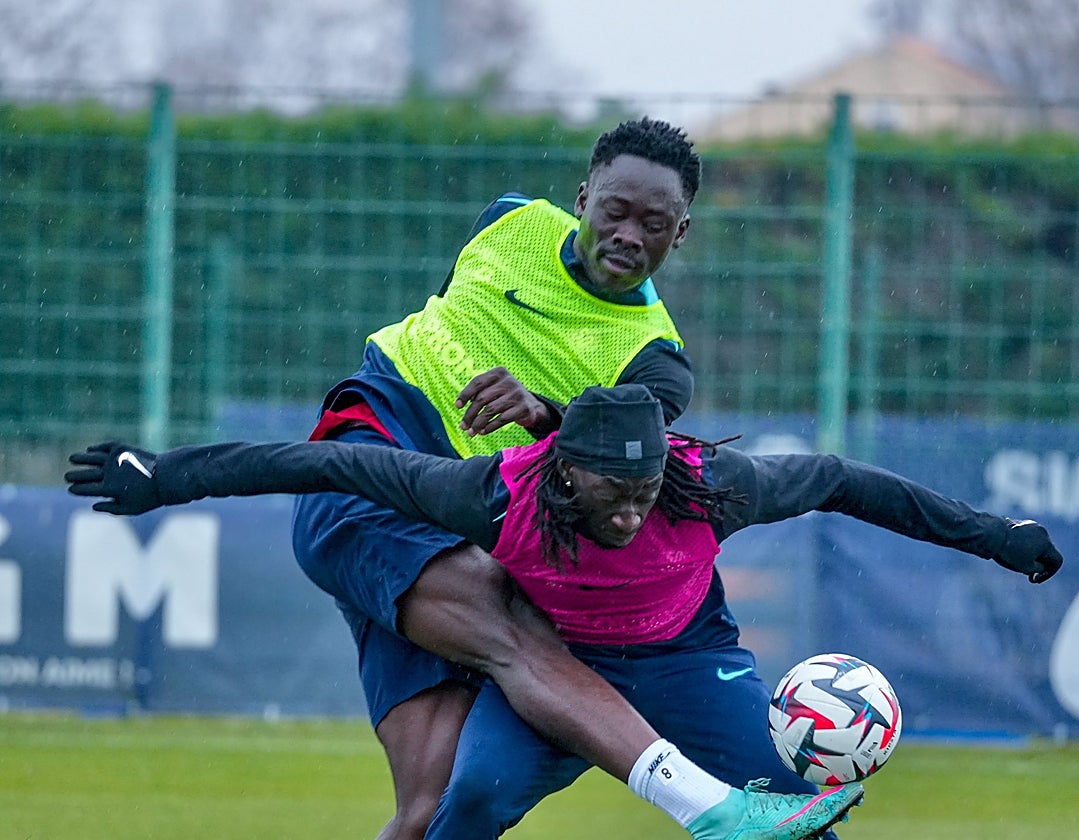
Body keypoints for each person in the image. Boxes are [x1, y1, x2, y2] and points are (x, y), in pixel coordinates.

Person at [136, 116, 867, 840]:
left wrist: (543, 411)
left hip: (461, 527)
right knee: (524, 643)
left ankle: (712, 802)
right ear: (583, 197)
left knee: (435, 811)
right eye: (615, 210)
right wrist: (170, 474)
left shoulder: (656, 362)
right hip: (376, 477)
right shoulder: (510, 221)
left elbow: (610, 458)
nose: (628, 234)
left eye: (654, 223)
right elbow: (448, 315)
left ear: (680, 235)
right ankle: (711, 808)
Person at [66, 384, 1064, 838]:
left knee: (788, 814)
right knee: (471, 804)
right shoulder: (493, 491)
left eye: (644, 494)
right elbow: (325, 460)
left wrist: (997, 535)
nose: (631, 514)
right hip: (555, 676)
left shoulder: (712, 485)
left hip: (687, 663)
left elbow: (849, 481)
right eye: (609, 497)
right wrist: (165, 475)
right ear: (562, 474)